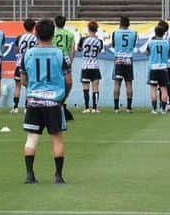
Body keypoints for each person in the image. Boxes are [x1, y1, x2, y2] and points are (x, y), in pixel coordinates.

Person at [21, 18, 71, 185]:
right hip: (53, 102)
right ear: (53, 34)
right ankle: (58, 175)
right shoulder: (60, 54)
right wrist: (64, 96)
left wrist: (32, 90)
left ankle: (29, 175)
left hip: (34, 102)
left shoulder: (28, 54)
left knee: (32, 138)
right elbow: (69, 80)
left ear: (36, 33)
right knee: (56, 138)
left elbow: (23, 79)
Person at [109, 16, 137, 113]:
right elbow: (133, 45)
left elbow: (113, 45)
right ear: (129, 24)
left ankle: (116, 108)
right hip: (128, 59)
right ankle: (128, 108)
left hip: (118, 59)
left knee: (117, 83)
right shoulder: (134, 33)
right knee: (128, 83)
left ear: (120, 23)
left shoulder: (115, 33)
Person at [11, 18, 38, 113]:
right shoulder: (36, 38)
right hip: (31, 65)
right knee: (29, 86)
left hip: (20, 64)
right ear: (33, 27)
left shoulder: (20, 37)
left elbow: (16, 50)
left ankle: (15, 107)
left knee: (17, 86)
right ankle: (27, 107)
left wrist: (20, 56)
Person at [77, 21, 104, 113]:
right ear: (96, 30)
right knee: (95, 88)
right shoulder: (99, 41)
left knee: (85, 87)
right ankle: (95, 108)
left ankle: (86, 107)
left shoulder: (83, 40)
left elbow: (79, 49)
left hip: (85, 66)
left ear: (88, 29)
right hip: (95, 65)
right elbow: (99, 51)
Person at [146, 24, 170, 114]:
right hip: (163, 68)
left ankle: (154, 109)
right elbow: (169, 54)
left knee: (153, 88)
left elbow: (147, 52)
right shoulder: (167, 43)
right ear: (163, 33)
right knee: (164, 89)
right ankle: (163, 109)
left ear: (155, 33)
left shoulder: (151, 42)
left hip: (153, 67)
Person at [157, 20, 170, 111]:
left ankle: (163, 104)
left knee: (161, 85)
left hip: (160, 64)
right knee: (167, 84)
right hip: (169, 64)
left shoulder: (157, 39)